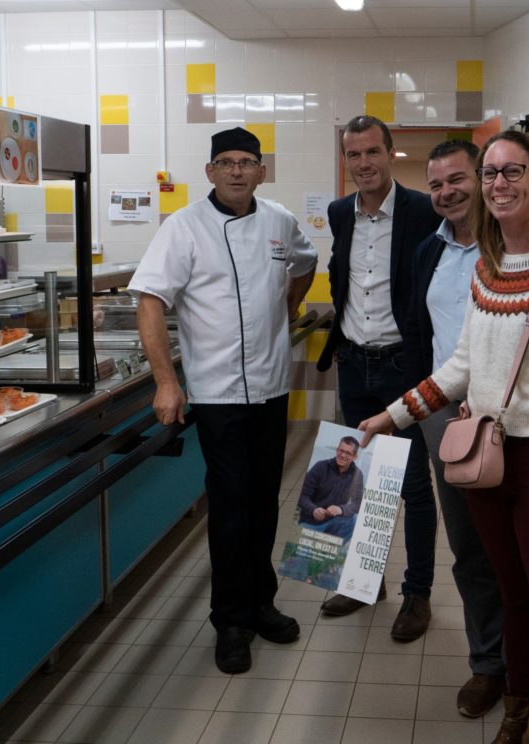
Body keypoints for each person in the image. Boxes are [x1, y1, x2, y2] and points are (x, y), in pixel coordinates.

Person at [358, 131, 529, 744]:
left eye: (512, 171)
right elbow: (461, 368)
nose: (499, 184)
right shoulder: (488, 272)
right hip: (489, 461)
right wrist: (391, 416)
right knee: (514, 598)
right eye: (492, 173)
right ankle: (518, 711)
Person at [128, 127, 317, 675]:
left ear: (262, 171)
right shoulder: (183, 227)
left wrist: (289, 307)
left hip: (272, 387)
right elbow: (150, 301)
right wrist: (166, 382)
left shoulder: (279, 221)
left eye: (247, 162)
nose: (237, 170)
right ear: (210, 171)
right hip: (217, 393)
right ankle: (231, 620)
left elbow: (306, 263)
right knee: (232, 506)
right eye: (227, 162)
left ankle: (261, 603)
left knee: (263, 501)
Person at [315, 114, 441, 641]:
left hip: (401, 367)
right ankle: (363, 582)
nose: (363, 163)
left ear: (390, 154)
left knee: (411, 486)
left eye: (372, 152)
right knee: (359, 478)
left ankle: (417, 593)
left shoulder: (423, 210)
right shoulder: (339, 212)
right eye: (353, 154)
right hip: (353, 365)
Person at [404, 138, 507, 718]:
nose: (447, 192)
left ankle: (526, 665)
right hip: (447, 418)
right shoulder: (430, 252)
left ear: (484, 179)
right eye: (436, 184)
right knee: (468, 546)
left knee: (515, 545)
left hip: (510, 417)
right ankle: (488, 663)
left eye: (458, 179)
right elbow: (422, 333)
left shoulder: (514, 244)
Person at [297, 435, 364, 542]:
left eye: (348, 453)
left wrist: (341, 509)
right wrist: (313, 509)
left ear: (354, 457)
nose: (343, 455)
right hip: (310, 522)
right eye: (341, 450)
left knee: (353, 519)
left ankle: (334, 547)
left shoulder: (357, 474)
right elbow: (301, 495)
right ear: (337, 450)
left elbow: (358, 503)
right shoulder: (320, 466)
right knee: (301, 552)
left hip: (335, 522)